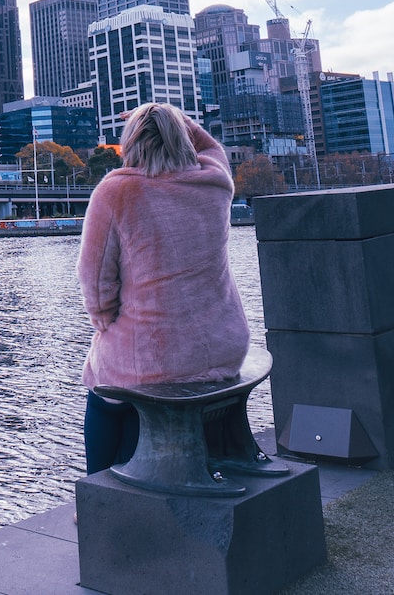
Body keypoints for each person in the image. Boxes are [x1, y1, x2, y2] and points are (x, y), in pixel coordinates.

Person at [77, 102, 277, 476]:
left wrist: (104, 322)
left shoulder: (116, 191)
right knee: (131, 382)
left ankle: (97, 494)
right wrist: (167, 114)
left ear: (131, 144)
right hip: (223, 347)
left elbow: (94, 282)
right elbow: (211, 145)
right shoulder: (216, 181)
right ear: (183, 136)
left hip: (158, 357)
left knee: (103, 391)